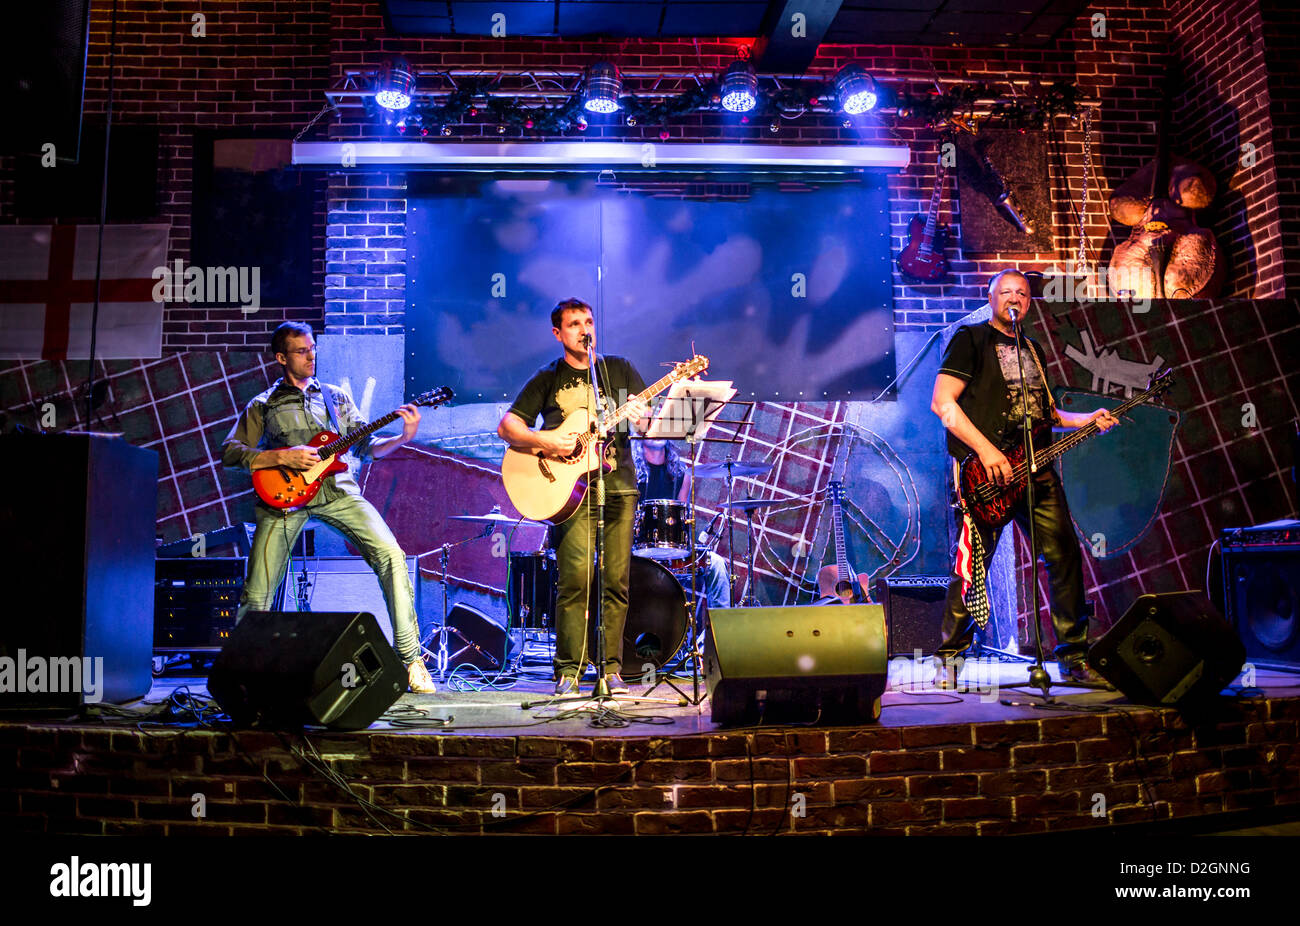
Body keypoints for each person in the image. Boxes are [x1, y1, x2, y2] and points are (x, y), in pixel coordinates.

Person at [221, 322, 436, 693]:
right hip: (284, 502)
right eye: (302, 351)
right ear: (281, 357)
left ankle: (411, 660)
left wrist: (404, 436)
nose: (311, 356)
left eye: (312, 349)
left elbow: (367, 447)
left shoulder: (335, 398)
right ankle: (243, 673)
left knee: (392, 556)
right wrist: (282, 455)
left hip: (338, 492)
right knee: (257, 591)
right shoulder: (263, 404)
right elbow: (230, 452)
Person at [930, 270, 1118, 688]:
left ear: (1029, 302)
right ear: (992, 297)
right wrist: (986, 450)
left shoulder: (1032, 348)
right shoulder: (971, 339)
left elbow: (1048, 413)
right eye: (1006, 292)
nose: (1014, 298)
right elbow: (942, 403)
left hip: (1037, 472)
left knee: (1064, 557)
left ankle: (1072, 656)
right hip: (988, 472)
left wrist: (1086, 420)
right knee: (973, 565)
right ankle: (951, 658)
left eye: (1022, 293)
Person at [497, 299, 649, 696]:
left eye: (589, 321)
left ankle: (611, 669)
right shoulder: (548, 378)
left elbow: (648, 427)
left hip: (619, 487)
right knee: (576, 580)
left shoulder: (618, 370)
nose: (585, 329)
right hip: (569, 491)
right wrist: (545, 439)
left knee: (616, 580)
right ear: (558, 333)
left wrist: (641, 416)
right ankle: (568, 669)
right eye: (575, 323)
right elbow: (508, 426)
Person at [632, 438, 731, 610]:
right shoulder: (630, 471)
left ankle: (719, 633)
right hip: (635, 551)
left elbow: (680, 518)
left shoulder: (681, 472)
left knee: (716, 564)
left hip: (672, 552)